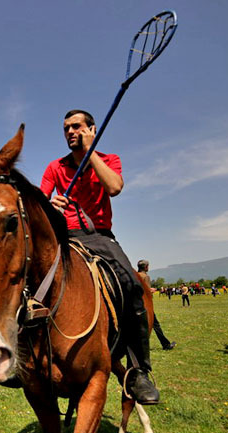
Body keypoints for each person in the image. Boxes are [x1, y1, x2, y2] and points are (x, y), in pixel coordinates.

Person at [39, 109, 159, 404]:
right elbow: (40, 206)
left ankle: (139, 370)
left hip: (99, 237)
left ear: (91, 129)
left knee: (132, 285)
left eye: (76, 126)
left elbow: (114, 187)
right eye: (66, 128)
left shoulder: (109, 159)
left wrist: (89, 151)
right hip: (64, 237)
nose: (70, 132)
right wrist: (51, 206)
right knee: (28, 283)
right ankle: (23, 359)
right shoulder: (55, 167)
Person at [136, 260, 176, 350]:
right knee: (155, 325)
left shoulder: (135, 275)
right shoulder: (145, 276)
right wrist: (151, 290)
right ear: (146, 267)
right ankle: (166, 345)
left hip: (136, 304)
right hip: (145, 305)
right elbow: (147, 292)